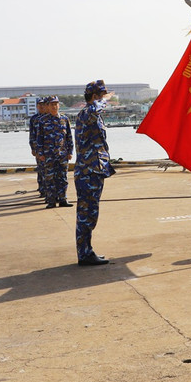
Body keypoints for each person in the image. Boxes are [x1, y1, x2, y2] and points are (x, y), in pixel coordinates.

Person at [74, 80, 115, 266]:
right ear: (94, 97)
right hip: (88, 172)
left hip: (94, 170)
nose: (104, 99)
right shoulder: (86, 113)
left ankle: (86, 251)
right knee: (86, 214)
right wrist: (105, 100)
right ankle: (84, 254)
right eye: (101, 95)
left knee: (90, 213)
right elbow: (94, 110)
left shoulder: (93, 116)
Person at [38, 96, 73, 208]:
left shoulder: (64, 119)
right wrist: (40, 153)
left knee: (63, 177)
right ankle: (51, 201)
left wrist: (70, 151)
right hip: (48, 154)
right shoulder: (42, 121)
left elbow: (69, 136)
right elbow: (39, 138)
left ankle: (63, 199)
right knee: (50, 178)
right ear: (48, 106)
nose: (54, 106)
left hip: (62, 154)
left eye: (56, 104)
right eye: (52, 104)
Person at [29, 97, 48, 199]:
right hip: (38, 148)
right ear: (37, 106)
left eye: (43, 104)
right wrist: (33, 148)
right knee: (41, 169)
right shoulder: (34, 119)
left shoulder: (49, 117)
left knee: (48, 170)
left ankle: (49, 190)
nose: (41, 106)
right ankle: (42, 189)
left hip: (49, 148)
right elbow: (32, 134)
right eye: (40, 104)